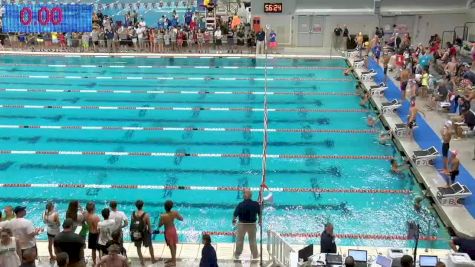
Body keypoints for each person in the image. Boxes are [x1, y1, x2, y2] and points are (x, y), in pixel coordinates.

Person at [233, 189, 260, 259]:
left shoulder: (240, 204)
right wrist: (260, 221)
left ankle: (237, 254)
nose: (242, 195)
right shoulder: (256, 204)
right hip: (252, 225)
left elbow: (235, 214)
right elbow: (260, 213)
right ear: (251, 196)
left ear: (245, 195)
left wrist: (233, 221)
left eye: (243, 194)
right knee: (253, 240)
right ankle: (255, 255)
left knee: (239, 240)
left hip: (242, 225)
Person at [131, 200, 156, 265]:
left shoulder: (133, 214)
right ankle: (153, 259)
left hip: (136, 233)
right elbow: (149, 227)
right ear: (143, 205)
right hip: (144, 233)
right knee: (150, 245)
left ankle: (142, 262)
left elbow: (132, 224)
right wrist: (150, 232)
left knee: (138, 247)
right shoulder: (146, 215)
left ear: (136, 206)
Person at [159, 200, 183, 266]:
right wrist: (176, 215)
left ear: (164, 207)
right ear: (171, 207)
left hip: (168, 232)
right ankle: (173, 259)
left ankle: (174, 262)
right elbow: (181, 218)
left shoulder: (163, 215)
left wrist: (162, 220)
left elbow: (159, 225)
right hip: (173, 230)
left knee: (171, 246)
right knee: (174, 245)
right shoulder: (174, 213)